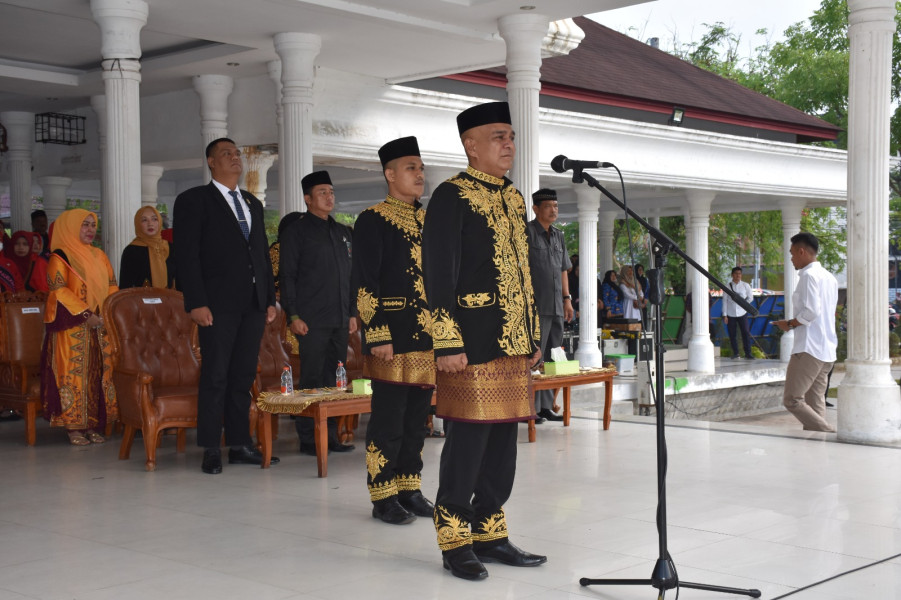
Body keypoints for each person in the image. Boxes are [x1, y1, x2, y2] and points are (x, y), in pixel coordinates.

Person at [423, 101, 546, 581]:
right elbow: (438, 272)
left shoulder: (515, 198)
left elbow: (526, 273)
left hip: (514, 342)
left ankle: (490, 533)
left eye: (511, 136)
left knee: (502, 444)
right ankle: (455, 539)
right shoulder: (451, 196)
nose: (509, 144)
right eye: (498, 136)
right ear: (470, 145)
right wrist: (447, 340)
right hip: (469, 344)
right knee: (467, 442)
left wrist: (533, 332)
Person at [174, 137, 279, 474]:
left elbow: (261, 254)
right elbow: (186, 257)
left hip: (252, 304)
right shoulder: (194, 201)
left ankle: (239, 443)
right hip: (216, 305)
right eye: (226, 154)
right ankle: (210, 447)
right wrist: (196, 302)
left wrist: (269, 299)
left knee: (242, 375)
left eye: (236, 154)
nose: (235, 158)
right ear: (210, 162)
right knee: (216, 375)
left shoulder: (251, 202)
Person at [351, 136, 437, 525]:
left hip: (428, 336)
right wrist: (376, 332)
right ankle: (382, 494)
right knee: (388, 419)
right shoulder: (373, 219)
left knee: (417, 417)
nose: (420, 175)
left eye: (421, 168)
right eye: (410, 168)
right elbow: (365, 280)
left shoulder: (430, 219)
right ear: (389, 174)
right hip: (392, 333)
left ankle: (409, 487)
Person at [279, 170, 356, 455]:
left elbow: (351, 276)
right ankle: (308, 439)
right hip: (310, 320)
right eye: (322, 193)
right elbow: (287, 276)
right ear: (308, 199)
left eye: (331, 192)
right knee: (311, 379)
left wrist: (351, 312)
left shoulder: (342, 233)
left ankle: (331, 437)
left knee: (336, 377)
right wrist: (294, 316)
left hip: (339, 318)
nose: (329, 197)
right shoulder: (296, 232)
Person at [39, 209, 118, 445]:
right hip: (72, 327)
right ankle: (74, 427)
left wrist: (107, 311)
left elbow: (112, 284)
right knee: (73, 375)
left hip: (100, 324)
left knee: (97, 373)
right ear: (70, 227)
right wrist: (86, 314)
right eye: (84, 225)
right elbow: (59, 289)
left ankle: (92, 424)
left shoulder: (99, 255)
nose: (90, 230)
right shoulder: (60, 256)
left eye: (93, 225)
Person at [772, 232, 838, 432]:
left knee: (792, 399)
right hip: (827, 348)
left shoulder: (809, 275)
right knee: (815, 400)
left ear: (802, 251)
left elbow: (811, 311)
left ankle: (827, 431)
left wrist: (790, 324)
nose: (791, 258)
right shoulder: (829, 277)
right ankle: (818, 443)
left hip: (809, 347)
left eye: (792, 254)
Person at [526, 188, 573, 422]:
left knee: (553, 358)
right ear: (536, 209)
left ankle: (545, 406)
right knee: (533, 357)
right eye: (548, 206)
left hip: (556, 304)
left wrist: (567, 299)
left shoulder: (559, 236)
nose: (553, 210)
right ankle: (527, 409)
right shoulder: (526, 233)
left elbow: (563, 269)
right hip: (535, 307)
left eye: (555, 206)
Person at [119, 206, 174, 289]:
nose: (150, 223)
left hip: (169, 300)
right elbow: (125, 286)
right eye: (144, 220)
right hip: (140, 301)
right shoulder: (131, 251)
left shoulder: (169, 247)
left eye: (154, 219)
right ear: (138, 224)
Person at [722, 267, 754, 359]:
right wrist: (724, 315)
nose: (738, 275)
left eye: (739, 274)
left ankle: (748, 353)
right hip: (730, 313)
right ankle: (736, 353)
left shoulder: (745, 285)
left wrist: (744, 304)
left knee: (746, 333)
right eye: (736, 273)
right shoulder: (727, 286)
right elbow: (724, 301)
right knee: (732, 334)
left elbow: (750, 298)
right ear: (732, 275)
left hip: (742, 313)